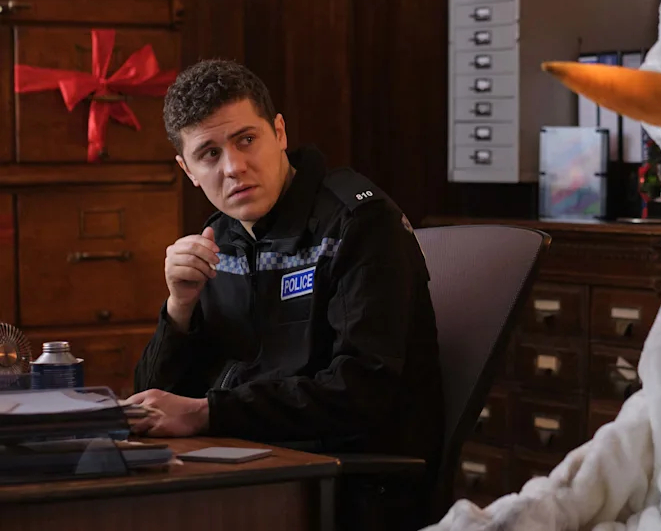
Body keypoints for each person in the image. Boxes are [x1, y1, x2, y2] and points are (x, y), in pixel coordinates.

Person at [128, 59, 443, 465]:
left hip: (351, 472)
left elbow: (363, 391)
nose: (234, 168)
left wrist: (207, 413)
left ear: (279, 132)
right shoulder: (218, 238)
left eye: (246, 140)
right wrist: (179, 308)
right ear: (188, 170)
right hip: (249, 455)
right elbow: (152, 404)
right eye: (209, 154)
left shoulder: (359, 223)